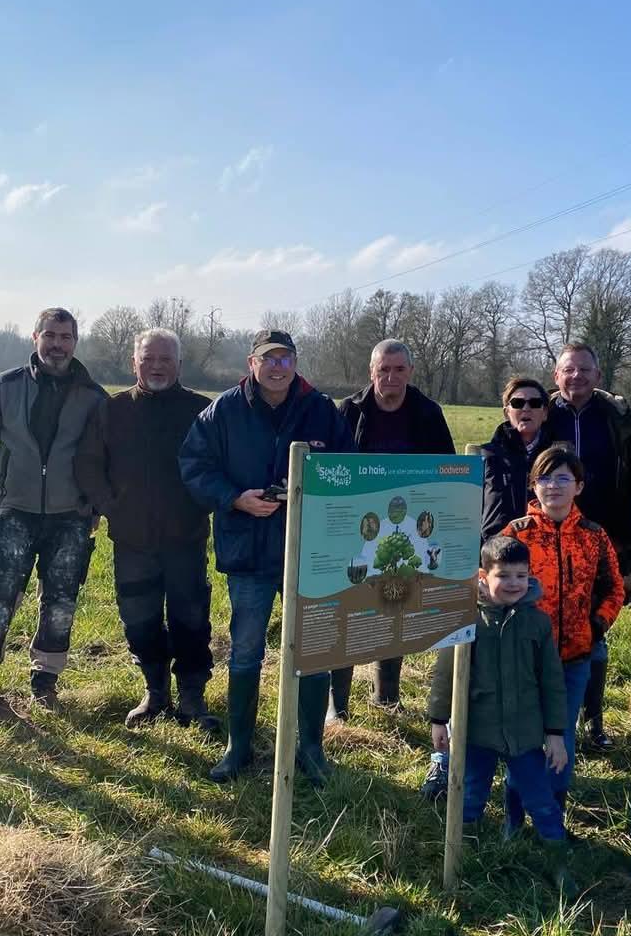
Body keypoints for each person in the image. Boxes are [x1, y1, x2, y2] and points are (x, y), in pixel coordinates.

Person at [178, 329, 353, 784]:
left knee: (313, 650)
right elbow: (194, 465)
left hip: (309, 550)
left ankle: (310, 748)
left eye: (285, 358)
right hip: (248, 550)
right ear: (251, 364)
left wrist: (306, 494)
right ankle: (239, 747)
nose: (278, 367)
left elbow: (347, 471)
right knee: (247, 648)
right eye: (268, 359)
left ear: (295, 362)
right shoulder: (224, 411)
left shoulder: (320, 410)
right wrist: (235, 498)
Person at [0, 308, 105, 717]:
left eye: (66, 337)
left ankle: (45, 684)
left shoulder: (93, 397)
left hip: (70, 518)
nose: (57, 344)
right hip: (14, 513)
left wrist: (96, 506)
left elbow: (107, 457)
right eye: (50, 335)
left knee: (60, 604)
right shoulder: (4, 388)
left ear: (75, 342)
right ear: (35, 337)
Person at [75, 328, 215, 733]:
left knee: (191, 619)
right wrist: (110, 505)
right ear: (134, 362)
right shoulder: (112, 410)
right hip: (132, 539)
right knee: (139, 618)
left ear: (179, 365)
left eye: (165, 360)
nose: (156, 366)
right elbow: (88, 463)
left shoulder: (201, 411)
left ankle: (192, 696)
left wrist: (202, 504)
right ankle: (155, 693)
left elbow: (219, 466)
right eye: (148, 359)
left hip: (185, 538)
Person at [427, 535, 574, 891]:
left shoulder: (537, 623)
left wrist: (555, 733)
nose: (513, 584)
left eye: (521, 576)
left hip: (525, 733)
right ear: (483, 575)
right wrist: (437, 719)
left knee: (541, 800)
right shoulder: (466, 621)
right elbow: (445, 672)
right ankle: (462, 862)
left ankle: (559, 864)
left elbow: (552, 681)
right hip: (477, 731)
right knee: (470, 796)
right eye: (504, 576)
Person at [501, 443, 624, 838]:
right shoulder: (517, 534)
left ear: (579, 486)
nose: (553, 486)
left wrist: (595, 626)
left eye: (563, 478)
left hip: (573, 659)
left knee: (562, 737)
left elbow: (613, 589)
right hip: (524, 659)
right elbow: (492, 585)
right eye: (544, 478)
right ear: (533, 486)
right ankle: (514, 818)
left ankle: (552, 818)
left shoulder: (593, 537)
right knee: (523, 739)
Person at [331, 339, 455, 718]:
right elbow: (333, 467)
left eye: (399, 369)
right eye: (383, 369)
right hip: (357, 526)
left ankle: (387, 696)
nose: (391, 377)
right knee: (349, 610)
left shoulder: (428, 413)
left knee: (394, 605)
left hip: (407, 529)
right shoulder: (349, 411)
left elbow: (446, 471)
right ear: (371, 372)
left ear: (410, 373)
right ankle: (338, 706)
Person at [548, 342, 631, 752]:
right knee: (551, 626)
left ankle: (593, 723)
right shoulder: (542, 413)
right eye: (568, 370)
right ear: (556, 376)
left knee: (595, 628)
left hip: (602, 537)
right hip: (550, 536)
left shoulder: (618, 420)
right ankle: (553, 721)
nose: (577, 377)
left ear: (599, 376)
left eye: (585, 370)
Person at [480, 376, 559, 541]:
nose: (526, 408)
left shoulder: (558, 458)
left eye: (534, 403)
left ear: (544, 413)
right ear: (507, 412)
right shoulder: (487, 455)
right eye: (518, 403)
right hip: (498, 553)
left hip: (544, 550)